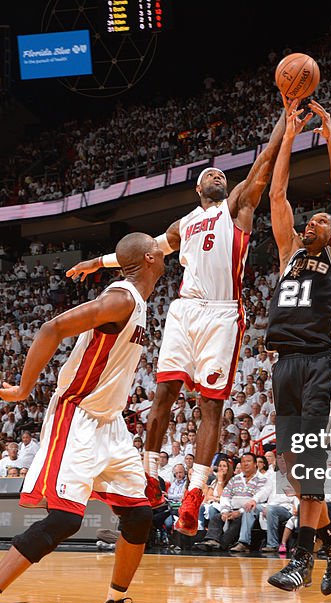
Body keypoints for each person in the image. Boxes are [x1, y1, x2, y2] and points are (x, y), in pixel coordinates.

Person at [67, 108, 289, 537]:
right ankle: (150, 478)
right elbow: (144, 251)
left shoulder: (237, 207)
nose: (218, 175)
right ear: (197, 187)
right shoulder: (182, 225)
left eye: (222, 174)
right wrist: (98, 261)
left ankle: (195, 493)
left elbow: (264, 162)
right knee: (163, 393)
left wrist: (286, 117)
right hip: (185, 310)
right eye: (210, 173)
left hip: (222, 312)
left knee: (210, 404)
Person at [0, 233, 165, 603]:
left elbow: (169, 240)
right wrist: (23, 389)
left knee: (138, 516)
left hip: (111, 423)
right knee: (65, 519)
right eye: (159, 249)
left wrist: (99, 262)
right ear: (152, 258)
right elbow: (53, 327)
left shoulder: (135, 295)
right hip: (78, 415)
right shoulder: (121, 299)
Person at [262, 99, 331, 594]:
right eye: (312, 221)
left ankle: (300, 559)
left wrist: (330, 137)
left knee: (312, 461)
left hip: (324, 362)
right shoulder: (287, 254)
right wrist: (289, 137)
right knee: (293, 469)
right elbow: (277, 193)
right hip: (284, 365)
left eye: (320, 221)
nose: (314, 223)